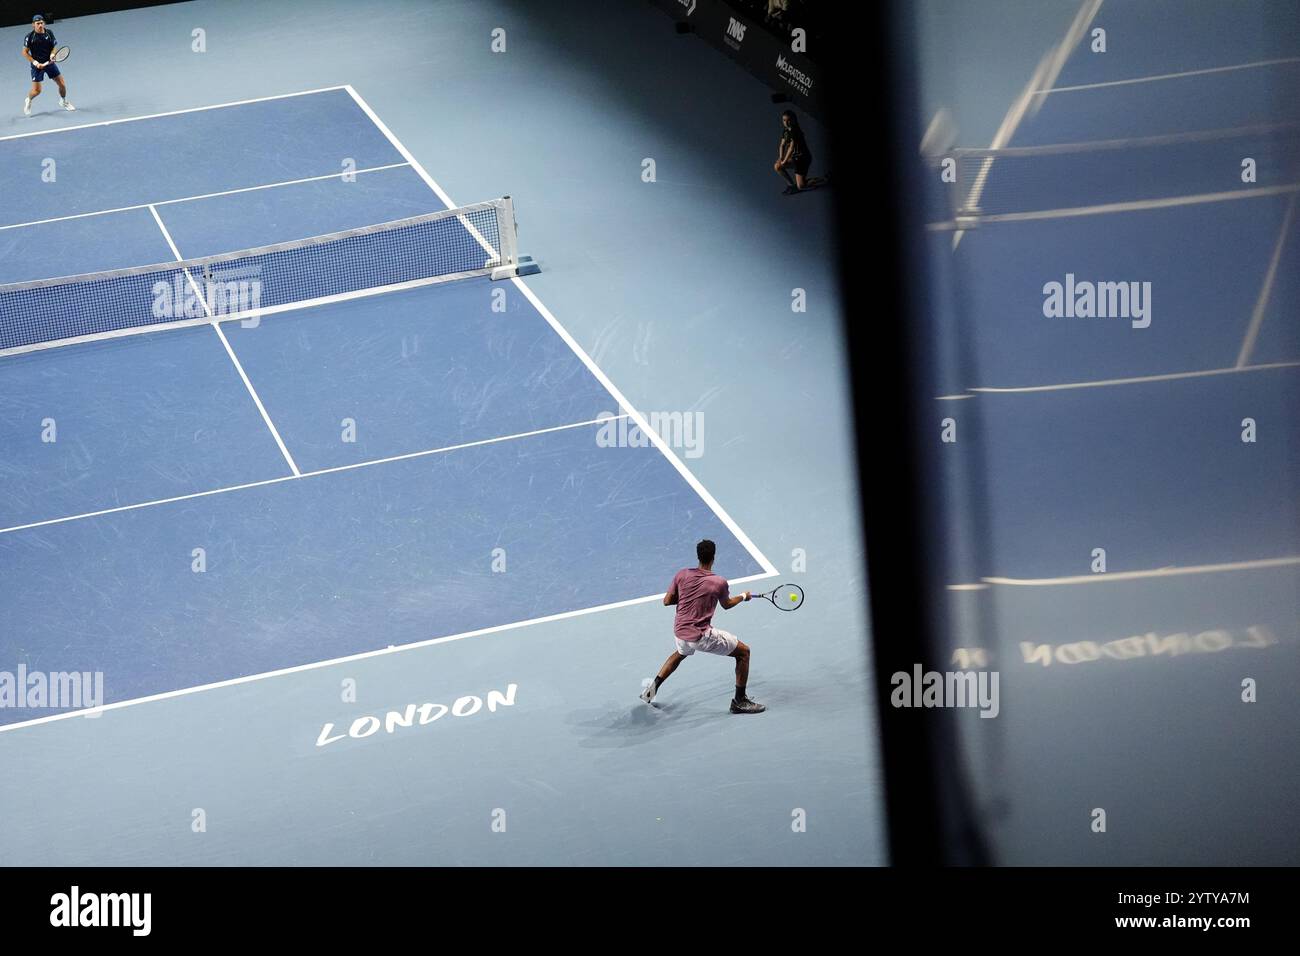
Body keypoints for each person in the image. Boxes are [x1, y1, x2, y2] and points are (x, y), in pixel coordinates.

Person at [640, 539, 766, 714]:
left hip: (679, 630)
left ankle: (650, 692)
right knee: (744, 652)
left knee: (680, 654)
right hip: (699, 635)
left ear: (697, 556)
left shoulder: (682, 574)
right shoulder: (719, 582)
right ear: (713, 557)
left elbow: (667, 601)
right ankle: (739, 701)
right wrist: (744, 596)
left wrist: (686, 597)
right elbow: (727, 604)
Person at [23, 14, 74, 116]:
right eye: (38, 23)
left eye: (41, 23)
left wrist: (52, 54)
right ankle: (28, 99)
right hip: (36, 66)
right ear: (33, 25)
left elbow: (54, 46)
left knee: (62, 84)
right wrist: (35, 63)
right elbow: (24, 52)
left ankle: (63, 101)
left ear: (44, 23)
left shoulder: (49, 33)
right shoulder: (30, 37)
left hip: (49, 63)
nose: (40, 25)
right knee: (37, 91)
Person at [773, 109, 825, 194]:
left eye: (789, 120)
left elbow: (791, 148)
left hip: (803, 159)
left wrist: (784, 161)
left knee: (801, 186)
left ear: (794, 120)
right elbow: (782, 145)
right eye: (784, 120)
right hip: (795, 158)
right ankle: (791, 185)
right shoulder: (786, 131)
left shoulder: (796, 131)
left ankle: (824, 179)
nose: (786, 122)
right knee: (777, 166)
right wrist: (781, 158)